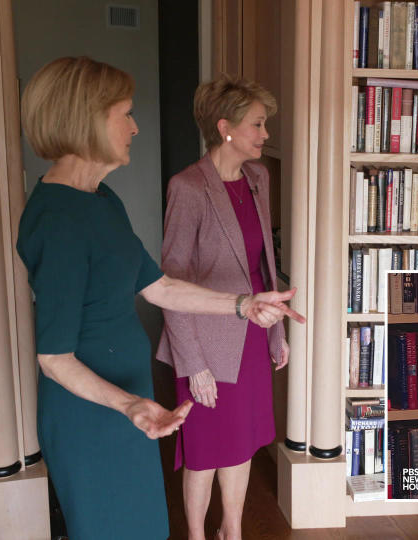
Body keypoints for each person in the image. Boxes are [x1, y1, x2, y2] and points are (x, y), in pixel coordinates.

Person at [15, 57, 304, 539]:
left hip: (130, 398)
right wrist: (127, 404)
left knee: (147, 527)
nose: (134, 127)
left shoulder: (102, 200)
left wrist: (244, 306)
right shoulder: (58, 220)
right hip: (94, 414)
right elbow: (54, 358)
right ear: (84, 118)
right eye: (124, 113)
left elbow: (160, 286)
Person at [155, 74, 291, 540]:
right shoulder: (188, 187)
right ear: (225, 127)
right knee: (207, 448)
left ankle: (231, 531)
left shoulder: (258, 178)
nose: (265, 134)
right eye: (257, 124)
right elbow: (171, 285)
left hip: (253, 331)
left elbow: (264, 266)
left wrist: (277, 332)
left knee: (242, 442)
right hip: (204, 342)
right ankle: (197, 535)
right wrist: (193, 364)